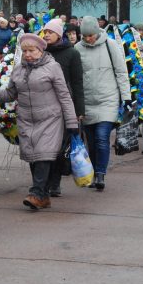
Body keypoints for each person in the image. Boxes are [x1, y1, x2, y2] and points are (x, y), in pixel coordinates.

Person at [0, 34, 78, 209]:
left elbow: (64, 96)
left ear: (41, 51)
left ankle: (36, 193)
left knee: (43, 154)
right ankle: (43, 195)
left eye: (31, 50)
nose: (27, 54)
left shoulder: (53, 67)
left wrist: (71, 122)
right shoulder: (18, 70)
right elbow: (10, 95)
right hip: (26, 119)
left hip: (50, 118)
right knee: (33, 157)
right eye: (25, 51)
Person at [75, 15, 131, 191]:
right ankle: (93, 171)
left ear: (97, 32)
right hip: (87, 102)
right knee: (91, 141)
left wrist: (126, 96)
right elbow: (75, 79)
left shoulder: (110, 45)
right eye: (85, 36)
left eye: (90, 35)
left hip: (108, 100)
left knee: (101, 137)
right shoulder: (77, 49)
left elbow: (121, 72)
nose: (88, 39)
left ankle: (100, 174)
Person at [41, 19, 84, 196]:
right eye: (45, 32)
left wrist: (79, 110)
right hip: (44, 105)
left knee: (59, 148)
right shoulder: (40, 52)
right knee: (44, 147)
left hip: (65, 105)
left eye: (50, 32)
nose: (46, 35)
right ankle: (43, 181)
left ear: (59, 34)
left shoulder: (71, 53)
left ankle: (55, 181)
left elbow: (77, 82)